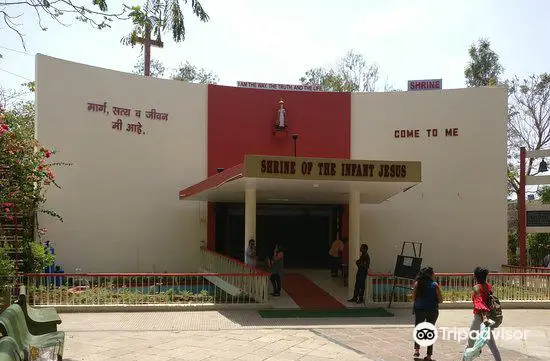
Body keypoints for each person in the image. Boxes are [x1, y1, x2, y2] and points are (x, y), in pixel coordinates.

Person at [465, 266, 502, 361]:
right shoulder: (488, 287)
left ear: (475, 277)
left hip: (480, 318)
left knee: (470, 341)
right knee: (491, 344)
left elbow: (479, 303)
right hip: (488, 318)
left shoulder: (476, 287)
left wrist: (484, 317)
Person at [412, 267, 443, 360]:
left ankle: (417, 350)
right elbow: (441, 300)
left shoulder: (417, 284)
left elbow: (413, 298)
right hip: (432, 310)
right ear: (430, 274)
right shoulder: (435, 285)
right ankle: (429, 355)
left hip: (420, 309)